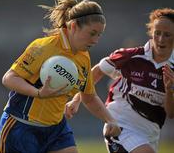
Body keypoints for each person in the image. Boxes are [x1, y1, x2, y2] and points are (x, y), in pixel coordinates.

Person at [0, 0, 121, 153]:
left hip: (56, 130)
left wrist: (110, 120)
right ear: (74, 26)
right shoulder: (44, 47)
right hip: (21, 127)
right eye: (92, 33)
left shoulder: (83, 57)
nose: (96, 40)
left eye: (99, 35)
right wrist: (38, 93)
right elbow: (9, 78)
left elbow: (89, 97)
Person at [65, 8, 174, 153]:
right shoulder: (131, 57)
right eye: (157, 33)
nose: (161, 39)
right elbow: (97, 72)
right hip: (120, 125)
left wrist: (170, 90)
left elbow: (171, 113)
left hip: (150, 135)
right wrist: (76, 100)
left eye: (167, 35)